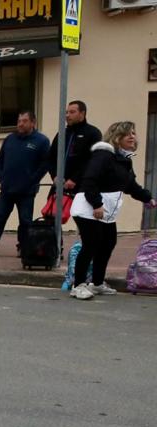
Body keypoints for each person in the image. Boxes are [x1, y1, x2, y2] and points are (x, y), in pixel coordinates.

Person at [69, 122, 156, 300]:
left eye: (133, 133)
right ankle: (77, 285)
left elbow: (130, 185)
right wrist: (96, 204)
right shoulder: (103, 155)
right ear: (117, 138)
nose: (132, 136)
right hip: (89, 208)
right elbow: (89, 180)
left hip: (106, 211)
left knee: (108, 243)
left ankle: (97, 283)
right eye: (127, 134)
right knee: (91, 244)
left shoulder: (124, 160)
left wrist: (147, 197)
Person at [0, 110, 52, 257]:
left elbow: (45, 164)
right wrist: (1, 177)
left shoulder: (41, 141)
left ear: (33, 123)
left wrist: (33, 179)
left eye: (24, 121)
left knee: (25, 221)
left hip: (27, 190)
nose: (20, 124)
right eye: (19, 121)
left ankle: (24, 248)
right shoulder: (10, 139)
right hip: (7, 188)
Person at [50, 100, 102, 197]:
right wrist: (55, 176)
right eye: (66, 112)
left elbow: (92, 160)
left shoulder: (93, 133)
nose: (67, 115)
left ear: (82, 113)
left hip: (81, 188)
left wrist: (75, 179)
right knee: (52, 212)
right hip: (59, 187)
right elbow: (51, 157)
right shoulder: (62, 133)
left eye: (72, 112)